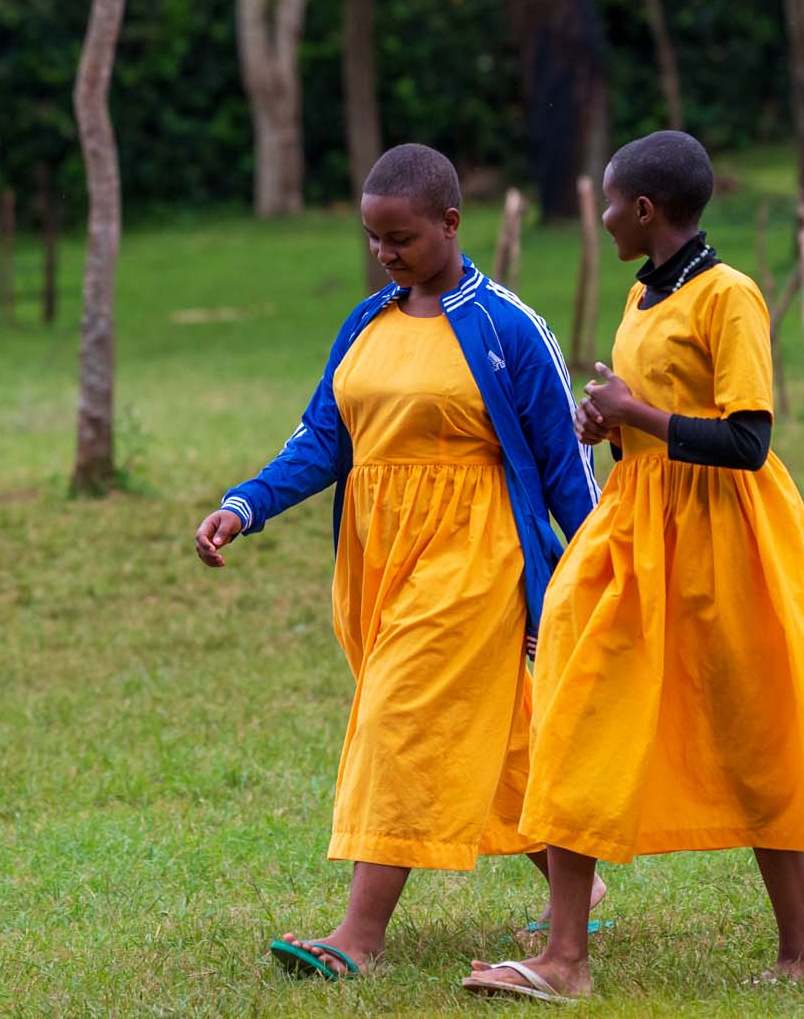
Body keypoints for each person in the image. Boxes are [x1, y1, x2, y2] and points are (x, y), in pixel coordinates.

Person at [193, 144, 603, 980]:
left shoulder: (507, 326)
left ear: (451, 223)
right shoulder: (367, 322)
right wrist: (244, 504)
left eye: (402, 237)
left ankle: (357, 937)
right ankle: (575, 886)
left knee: (402, 717)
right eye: (374, 238)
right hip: (379, 560)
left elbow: (565, 463)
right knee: (491, 734)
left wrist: (595, 566)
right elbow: (322, 437)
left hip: (473, 558)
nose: (386, 252)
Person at [464, 130, 804, 1003]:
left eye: (605, 202)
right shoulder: (642, 293)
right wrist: (614, 425)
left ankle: (803, 949)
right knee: (576, 700)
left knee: (753, 724)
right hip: (634, 523)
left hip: (724, 533)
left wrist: (643, 414)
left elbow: (747, 439)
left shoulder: (729, 296)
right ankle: (563, 957)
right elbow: (656, 411)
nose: (596, 218)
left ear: (643, 209)